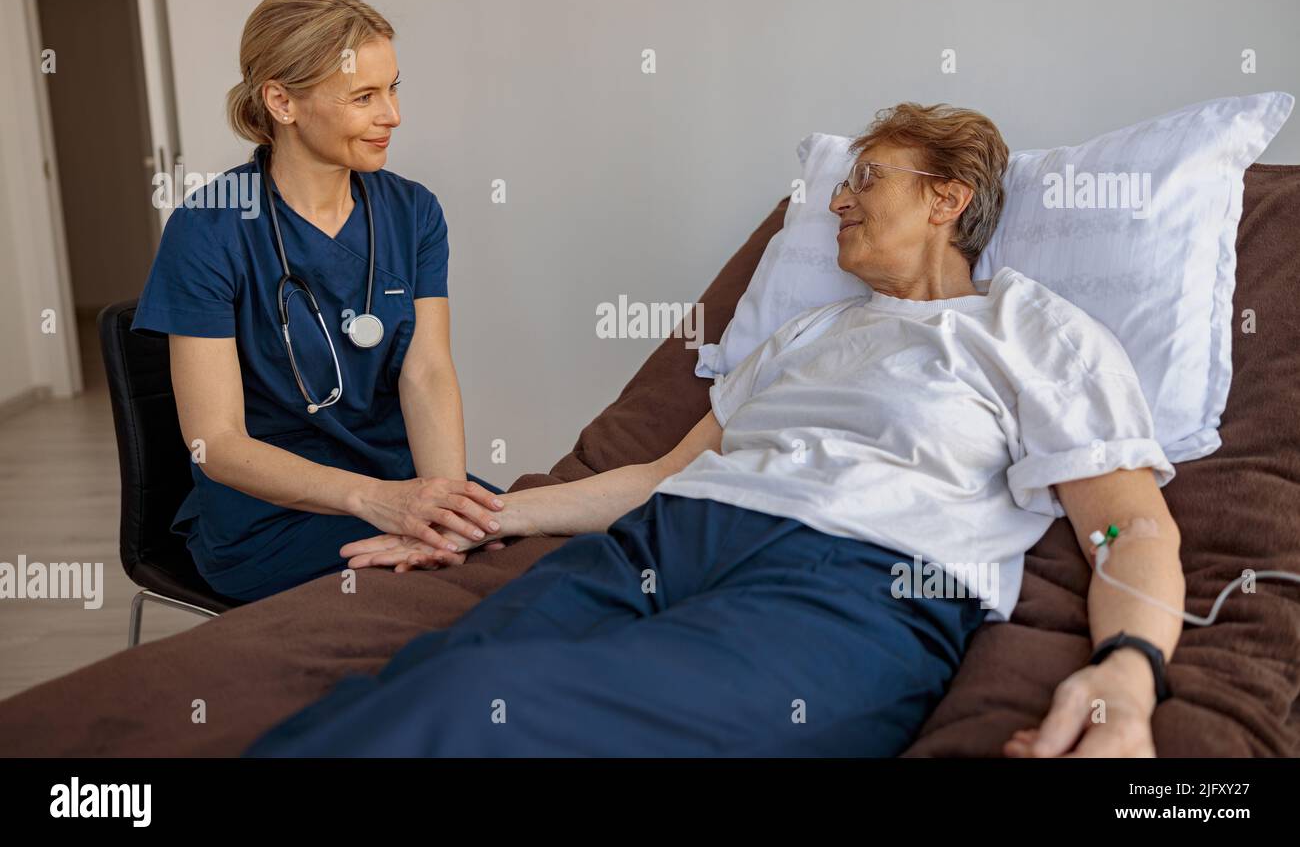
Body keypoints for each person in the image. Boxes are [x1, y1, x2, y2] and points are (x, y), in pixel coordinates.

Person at [246, 103, 1182, 757]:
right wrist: (486, 516)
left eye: (866, 180)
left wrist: (1129, 673)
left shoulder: (1033, 328)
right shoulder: (807, 331)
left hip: (853, 577)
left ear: (947, 198)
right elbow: (657, 473)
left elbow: (1127, 525)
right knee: (420, 680)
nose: (836, 202)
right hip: (658, 542)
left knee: (479, 714)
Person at [132, 0, 505, 603]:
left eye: (393, 88)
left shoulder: (414, 212)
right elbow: (216, 444)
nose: (392, 115)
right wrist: (379, 501)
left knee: (517, 555)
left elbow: (427, 371)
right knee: (437, 600)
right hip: (272, 515)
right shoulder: (209, 228)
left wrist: (438, 510)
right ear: (282, 101)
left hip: (398, 483)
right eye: (364, 96)